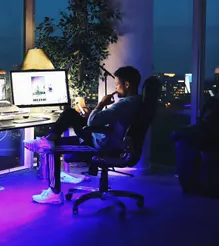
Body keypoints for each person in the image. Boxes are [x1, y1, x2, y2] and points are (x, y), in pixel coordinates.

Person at [31, 66, 142, 204]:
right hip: (107, 139)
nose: (116, 88)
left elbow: (93, 121)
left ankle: (54, 193)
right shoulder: (137, 102)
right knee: (71, 114)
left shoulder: (125, 104)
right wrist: (93, 116)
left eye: (117, 85)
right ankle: (48, 139)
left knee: (52, 147)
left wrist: (101, 104)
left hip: (103, 145)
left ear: (127, 84)